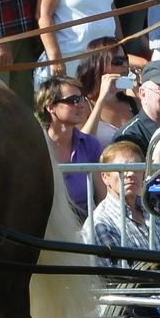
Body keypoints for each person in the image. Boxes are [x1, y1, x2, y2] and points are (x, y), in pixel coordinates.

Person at [36, 76, 103, 222]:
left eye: (81, 98)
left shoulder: (90, 145)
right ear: (51, 107)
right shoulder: (34, 145)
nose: (81, 105)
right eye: (73, 100)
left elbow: (102, 200)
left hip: (85, 228)